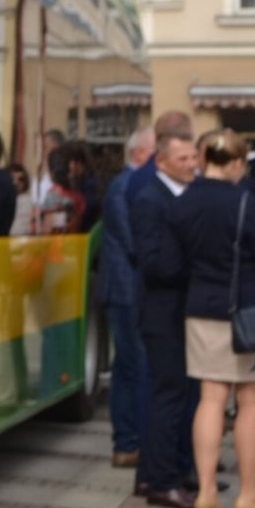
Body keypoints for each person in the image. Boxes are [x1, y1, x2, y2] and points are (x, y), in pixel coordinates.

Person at [153, 130, 255, 508]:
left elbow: (169, 265)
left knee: (210, 400)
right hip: (249, 315)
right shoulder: (248, 203)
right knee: (251, 405)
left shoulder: (182, 203)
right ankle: (250, 497)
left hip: (200, 311)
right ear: (235, 163)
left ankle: (207, 493)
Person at [130, 122, 204, 508]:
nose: (192, 164)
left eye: (194, 157)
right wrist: (197, 258)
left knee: (180, 395)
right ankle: (161, 481)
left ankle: (159, 472)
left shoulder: (184, 194)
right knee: (169, 397)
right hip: (163, 312)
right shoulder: (150, 198)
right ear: (161, 161)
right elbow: (153, 262)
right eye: (183, 158)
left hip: (180, 311)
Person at [99, 127, 153, 467]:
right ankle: (129, 441)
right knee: (134, 366)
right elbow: (134, 241)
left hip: (129, 289)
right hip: (126, 290)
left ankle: (128, 440)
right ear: (140, 154)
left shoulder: (132, 184)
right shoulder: (124, 186)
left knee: (128, 367)